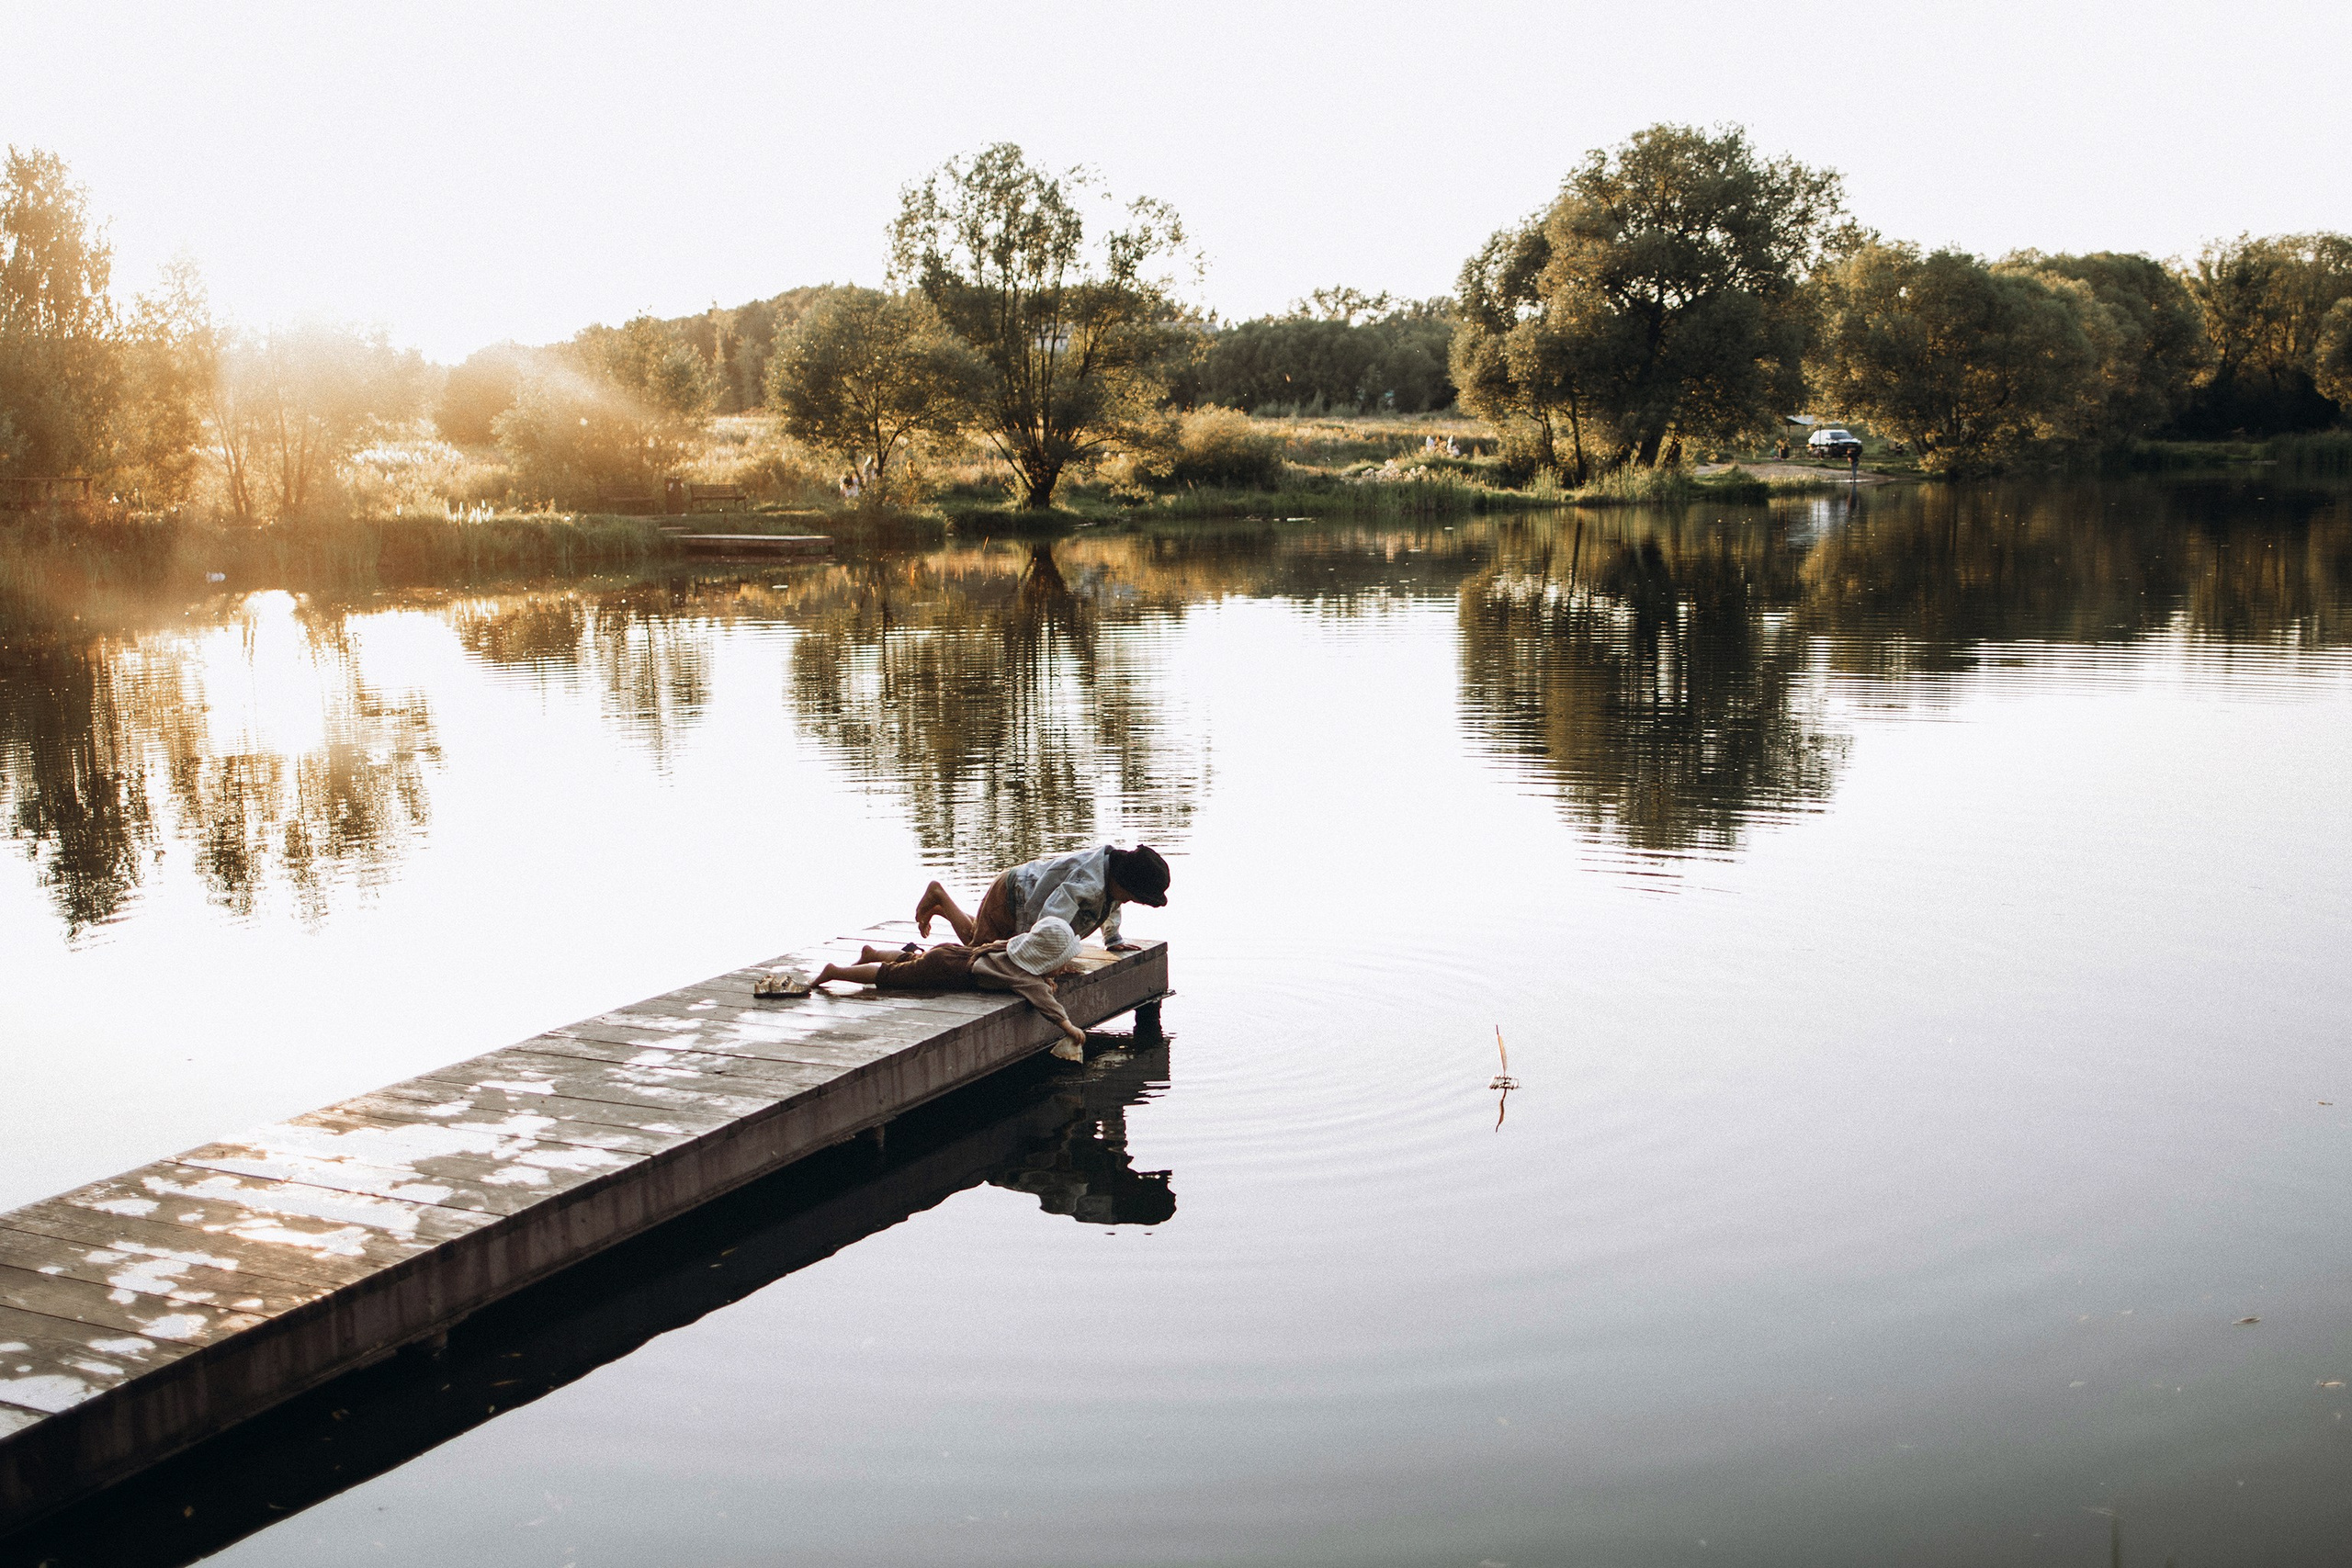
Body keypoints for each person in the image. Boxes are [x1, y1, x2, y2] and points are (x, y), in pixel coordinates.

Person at [811, 916, 1091, 1059]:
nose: (1062, 968)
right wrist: (1069, 1028)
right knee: (889, 977)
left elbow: (1037, 980)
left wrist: (1046, 977)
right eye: (1059, 964)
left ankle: (873, 952)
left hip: (952, 954)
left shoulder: (1013, 951)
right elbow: (1044, 1001)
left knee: (910, 963)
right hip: (945, 970)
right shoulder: (1025, 977)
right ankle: (836, 972)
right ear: (1043, 960)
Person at [915, 843, 1169, 953]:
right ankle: (939, 895)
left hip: (1025, 895)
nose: (1128, 901)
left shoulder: (1113, 877)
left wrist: (1113, 938)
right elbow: (1050, 917)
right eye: (1133, 897)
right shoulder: (1087, 884)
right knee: (978, 951)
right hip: (1012, 896)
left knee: (988, 939)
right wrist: (1048, 957)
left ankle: (942, 908)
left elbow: (1112, 905)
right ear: (1122, 882)